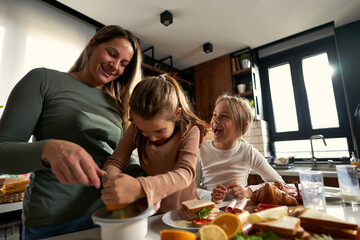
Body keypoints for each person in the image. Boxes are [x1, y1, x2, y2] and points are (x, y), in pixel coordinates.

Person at [0, 25, 143, 239]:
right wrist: (48, 149)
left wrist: (144, 183)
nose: (115, 66)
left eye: (124, 64)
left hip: (108, 218)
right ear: (92, 44)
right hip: (53, 224)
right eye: (111, 54)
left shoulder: (117, 106)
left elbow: (123, 158)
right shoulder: (43, 80)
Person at [101, 74, 207, 214]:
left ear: (177, 114)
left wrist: (141, 187)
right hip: (150, 212)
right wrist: (113, 184)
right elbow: (115, 162)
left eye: (160, 130)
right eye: (144, 131)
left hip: (185, 212)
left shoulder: (191, 130)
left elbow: (185, 173)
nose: (151, 138)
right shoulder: (135, 128)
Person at [196, 94, 283, 203]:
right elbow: (192, 189)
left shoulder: (248, 151)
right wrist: (210, 195)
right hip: (209, 211)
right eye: (214, 115)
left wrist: (248, 191)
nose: (215, 120)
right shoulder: (201, 150)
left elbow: (279, 183)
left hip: (239, 211)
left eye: (224, 116)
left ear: (242, 126)